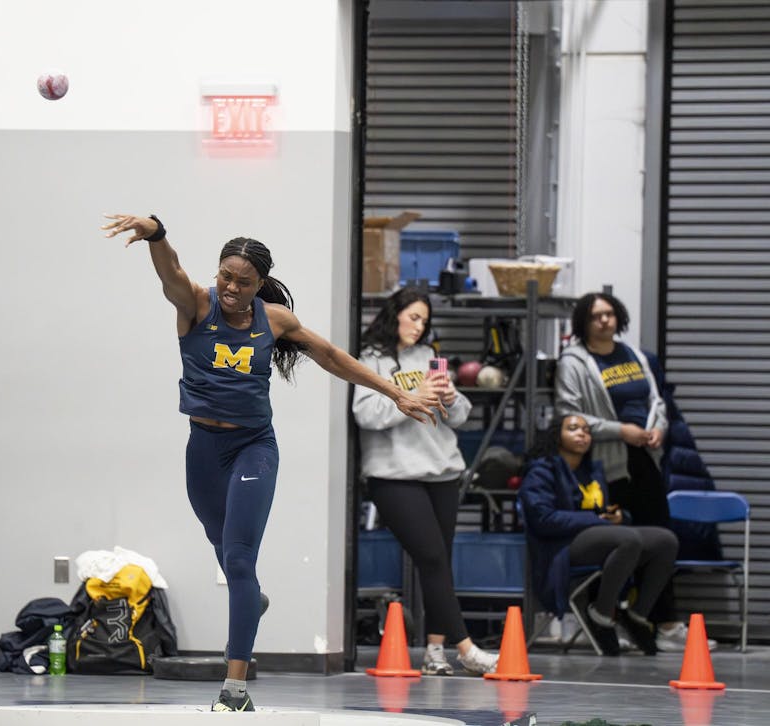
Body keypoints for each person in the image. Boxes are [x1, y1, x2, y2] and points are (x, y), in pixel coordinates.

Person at [102, 214, 443, 711]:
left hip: (253, 447)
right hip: (202, 449)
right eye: (226, 276)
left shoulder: (274, 320)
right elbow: (169, 270)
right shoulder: (196, 304)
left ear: (260, 285)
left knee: (240, 560)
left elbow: (328, 355)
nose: (232, 288)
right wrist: (157, 232)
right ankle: (251, 602)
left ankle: (234, 689)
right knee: (221, 547)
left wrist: (394, 392)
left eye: (243, 282)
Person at [352, 287, 499, 676]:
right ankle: (466, 649)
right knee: (431, 558)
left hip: (443, 470)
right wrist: (411, 395)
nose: (420, 326)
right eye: (413, 317)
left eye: (424, 320)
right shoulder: (372, 359)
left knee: (440, 564)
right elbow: (366, 414)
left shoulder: (430, 357)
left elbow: (459, 416)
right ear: (395, 313)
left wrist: (450, 396)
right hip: (394, 474)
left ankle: (435, 651)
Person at [554, 291, 709, 652]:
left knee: (660, 537)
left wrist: (658, 429)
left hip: (645, 459)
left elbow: (656, 401)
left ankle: (658, 619)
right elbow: (569, 414)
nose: (604, 321)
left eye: (609, 314)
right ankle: (602, 611)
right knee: (619, 537)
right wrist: (620, 430)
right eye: (596, 316)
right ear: (583, 323)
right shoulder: (575, 362)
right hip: (605, 464)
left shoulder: (634, 355)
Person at [519, 414, 679, 656]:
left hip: (596, 537)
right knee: (628, 539)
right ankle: (602, 614)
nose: (582, 433)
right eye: (573, 429)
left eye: (586, 429)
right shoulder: (542, 471)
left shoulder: (592, 470)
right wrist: (595, 520)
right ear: (557, 436)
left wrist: (619, 517)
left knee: (665, 540)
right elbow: (544, 519)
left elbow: (604, 512)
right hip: (561, 546)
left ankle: (636, 614)